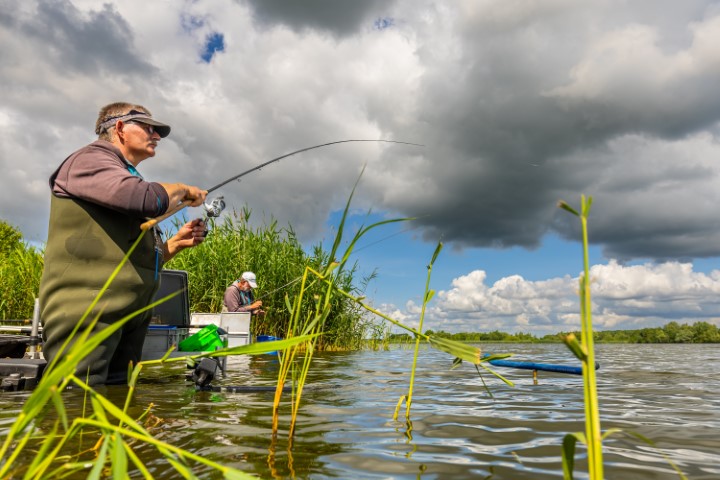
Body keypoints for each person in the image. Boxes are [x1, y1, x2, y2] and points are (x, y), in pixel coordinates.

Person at [39, 102, 208, 386]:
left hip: (129, 314)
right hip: (89, 309)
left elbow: (133, 258)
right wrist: (183, 189)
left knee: (119, 397)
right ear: (119, 128)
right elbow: (147, 200)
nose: (156, 136)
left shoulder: (122, 176)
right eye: (148, 128)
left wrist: (175, 245)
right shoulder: (90, 159)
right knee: (74, 402)